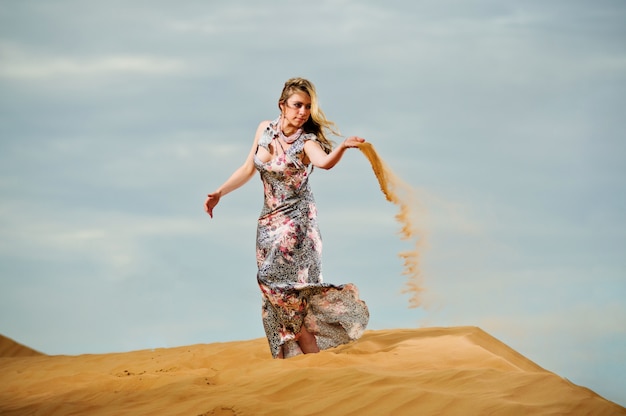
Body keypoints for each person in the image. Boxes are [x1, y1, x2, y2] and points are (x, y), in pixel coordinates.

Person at [204, 77, 369, 359]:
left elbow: (324, 163)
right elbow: (247, 168)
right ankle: (289, 366)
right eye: (297, 105)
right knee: (275, 295)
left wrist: (342, 147)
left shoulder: (307, 142)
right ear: (282, 105)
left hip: (298, 225)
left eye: (307, 107)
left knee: (278, 287)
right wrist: (220, 192)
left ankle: (309, 355)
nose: (302, 112)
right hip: (268, 223)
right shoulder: (264, 130)